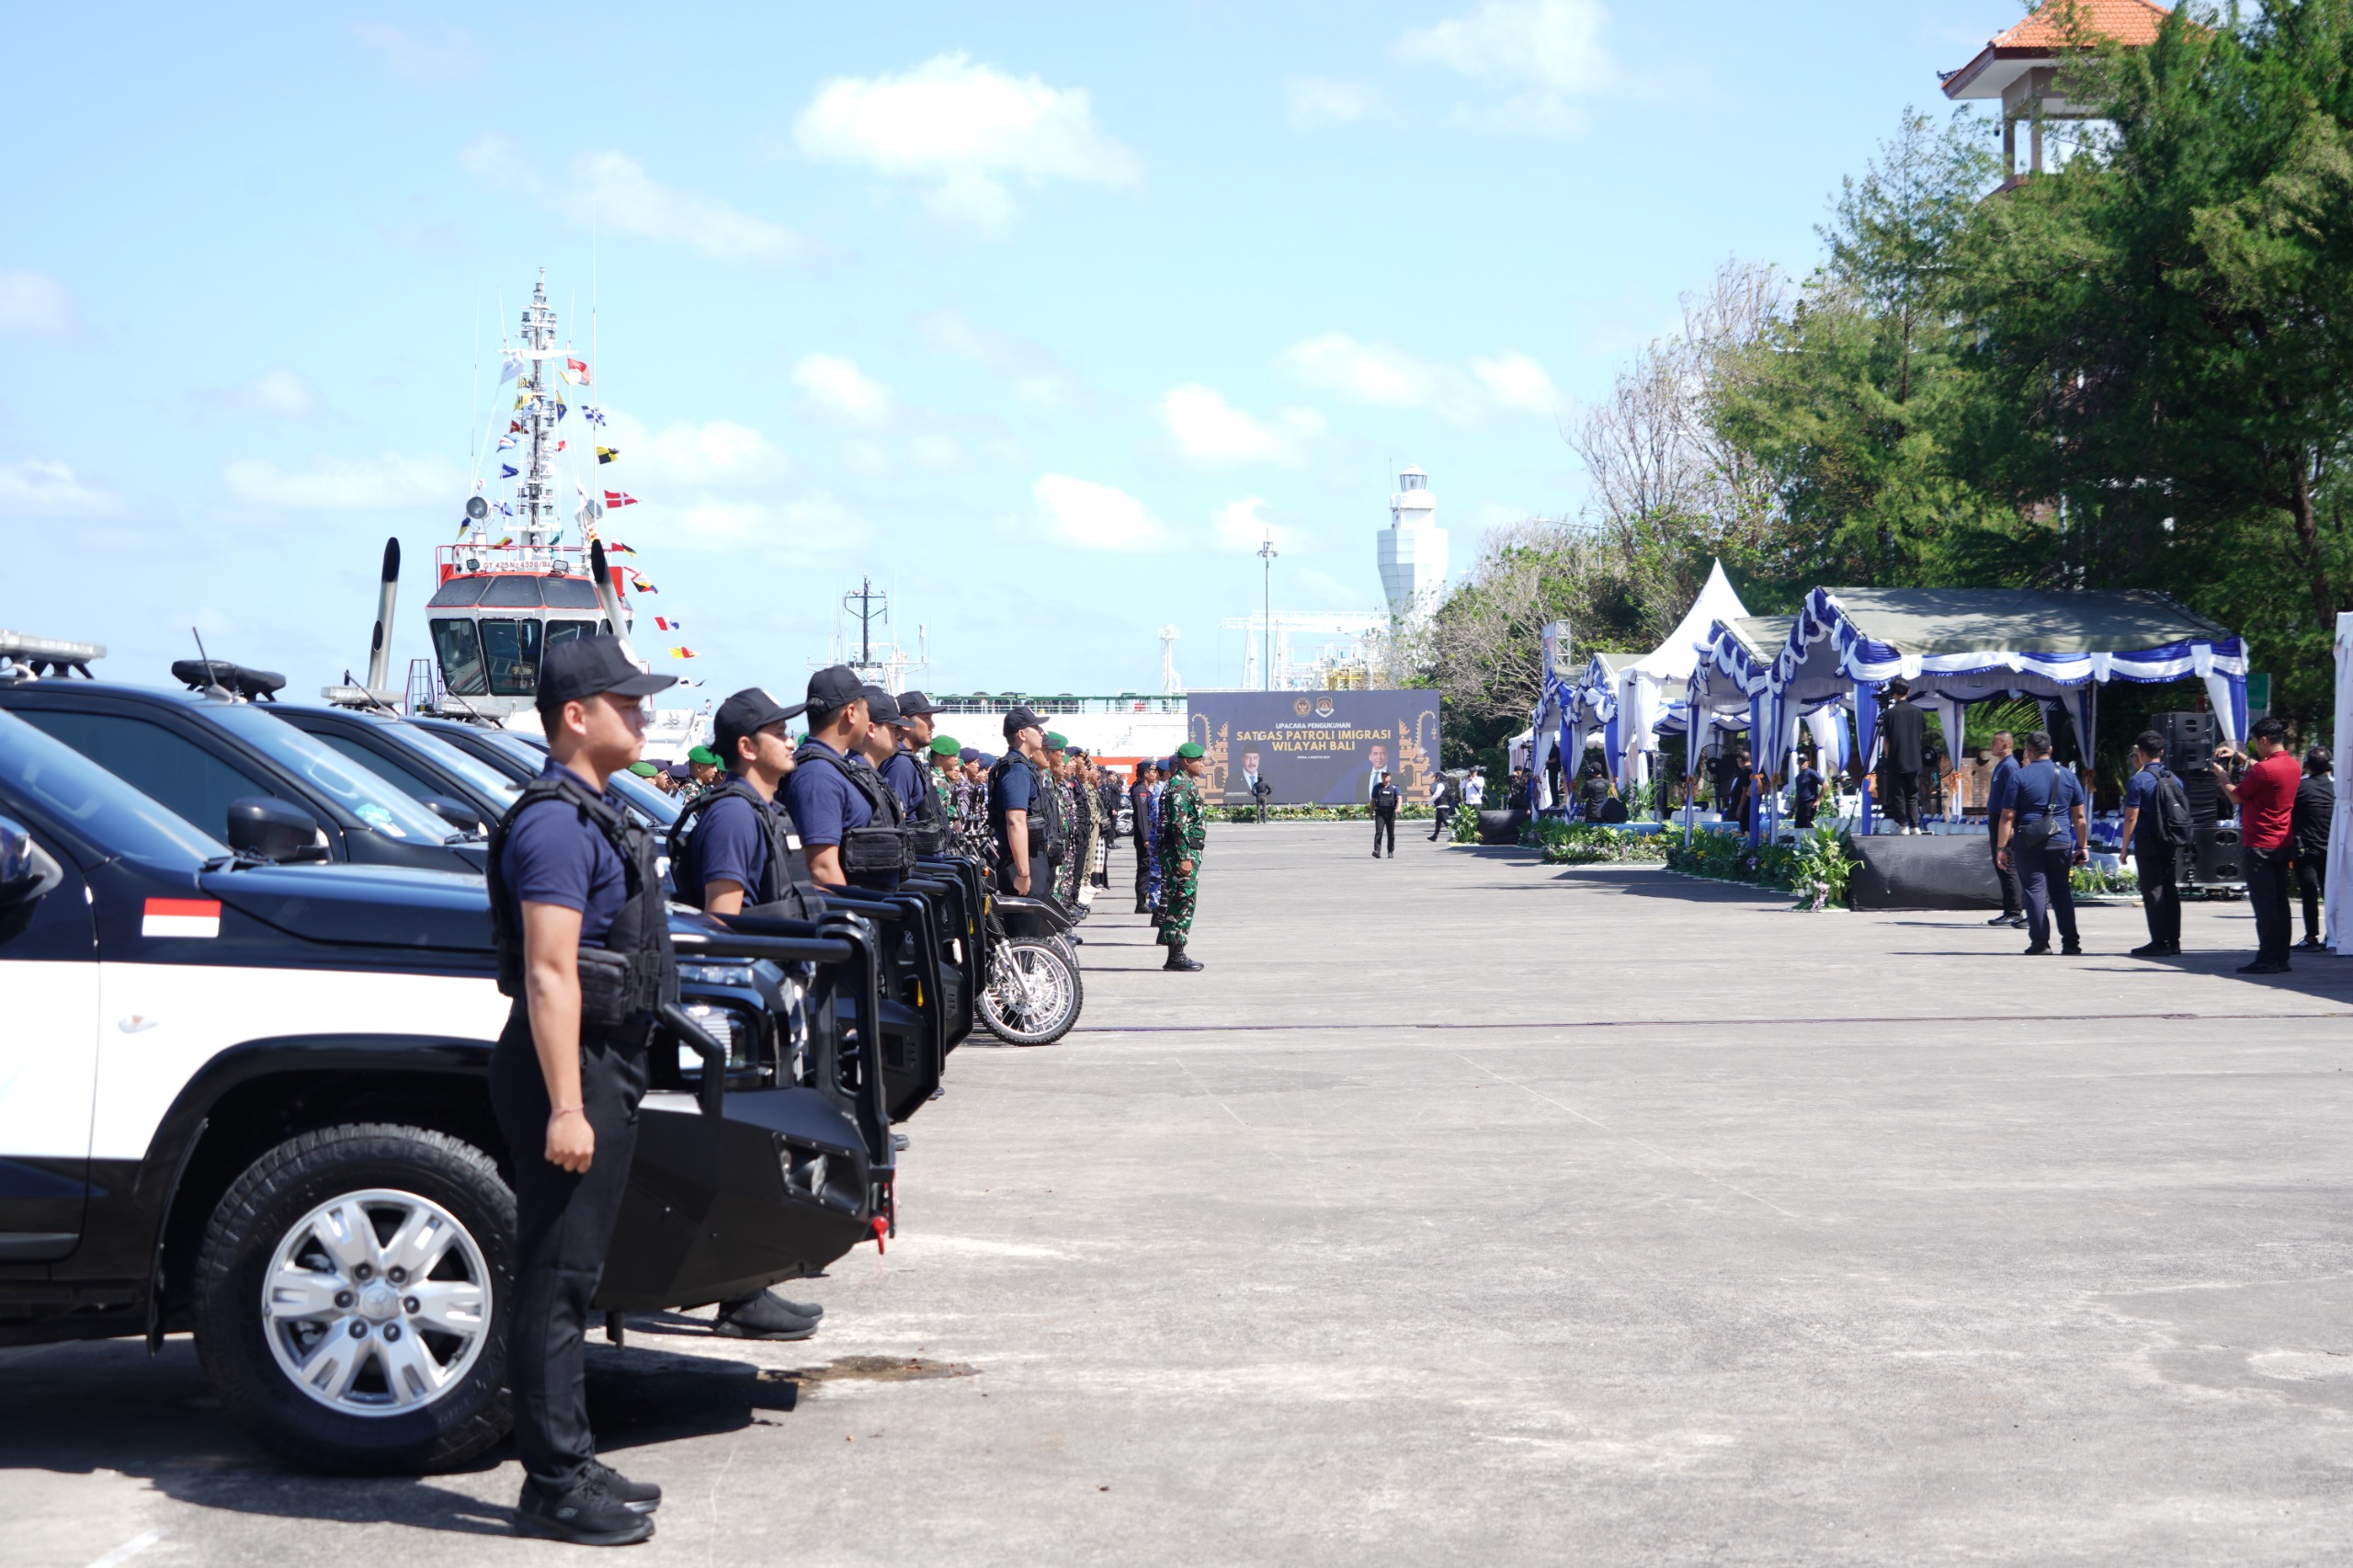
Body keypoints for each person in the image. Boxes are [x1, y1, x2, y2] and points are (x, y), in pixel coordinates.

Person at [484, 635, 675, 1543]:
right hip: (572, 1067)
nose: (642, 716)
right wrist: (567, 1104)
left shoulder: (596, 813)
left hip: (602, 1061)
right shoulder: (555, 826)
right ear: (575, 715)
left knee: (578, 1272)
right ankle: (554, 1483)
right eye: (625, 703)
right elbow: (549, 971)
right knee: (556, 1279)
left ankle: (573, 1451)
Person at [664, 686, 826, 1342]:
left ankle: (754, 1279)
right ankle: (740, 1295)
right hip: (741, 1007)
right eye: (777, 732)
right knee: (742, 1149)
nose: (790, 739)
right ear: (745, 747)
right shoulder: (734, 816)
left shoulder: (766, 808)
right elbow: (721, 921)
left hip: (773, 994)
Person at [784, 667, 904, 892]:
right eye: (866, 711)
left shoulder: (833, 769)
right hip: (854, 910)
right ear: (851, 713)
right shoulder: (818, 776)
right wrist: (852, 914)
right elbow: (821, 870)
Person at [2213, 717, 2301, 973]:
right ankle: (2281, 957)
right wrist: (2238, 756)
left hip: (2260, 844)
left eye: (2254, 742)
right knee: (2280, 903)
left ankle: (2267, 958)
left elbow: (2235, 796)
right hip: (2282, 841)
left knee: (2265, 905)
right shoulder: (2293, 765)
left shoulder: (2264, 770)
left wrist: (2221, 774)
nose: (2253, 747)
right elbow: (2263, 769)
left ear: (2263, 740)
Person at [1995, 730, 2089, 956]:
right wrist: (2082, 846)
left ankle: (2040, 943)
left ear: (2028, 751)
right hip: (2061, 839)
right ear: (2050, 750)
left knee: (2034, 889)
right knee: (2061, 890)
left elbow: (2007, 816)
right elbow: (2079, 817)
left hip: (2028, 841)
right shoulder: (2067, 776)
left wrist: (2001, 848)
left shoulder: (2019, 776)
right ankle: (2071, 943)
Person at [2119, 731, 2186, 959]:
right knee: (2169, 888)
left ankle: (2159, 942)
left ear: (2141, 753)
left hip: (2148, 840)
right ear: (2162, 752)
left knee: (2153, 890)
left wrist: (2124, 848)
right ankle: (2173, 941)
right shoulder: (2174, 779)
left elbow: (2131, 817)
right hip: (2170, 839)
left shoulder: (2138, 780)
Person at [1158, 742, 1208, 970]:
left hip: (1185, 852)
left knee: (1182, 900)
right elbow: (1179, 826)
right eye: (1199, 760)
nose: (1203, 764)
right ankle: (1176, 956)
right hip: (1182, 854)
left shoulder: (1184, 783)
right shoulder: (1180, 786)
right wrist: (1184, 857)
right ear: (1187, 762)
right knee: (1182, 900)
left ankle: (1175, 953)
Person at [1983, 733, 2025, 928]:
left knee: (2007, 865)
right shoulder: (2002, 765)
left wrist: (2012, 824)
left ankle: (2014, 911)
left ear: (2005, 745)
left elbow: (2015, 797)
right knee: (2001, 865)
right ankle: (2009, 909)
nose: (1991, 745)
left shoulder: (2010, 766)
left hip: (2004, 820)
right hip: (1997, 819)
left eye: (1995, 742)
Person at [2294, 746, 2335, 949]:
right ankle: (2333, 936)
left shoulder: (2300, 788)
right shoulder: (2337, 789)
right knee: (2331, 893)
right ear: (2329, 766)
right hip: (2332, 849)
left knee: (2308, 893)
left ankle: (2311, 937)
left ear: (2307, 765)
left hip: (2306, 849)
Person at [1880, 680, 1927, 834]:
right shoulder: (1918, 712)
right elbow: (1919, 735)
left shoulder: (1889, 714)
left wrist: (1888, 757)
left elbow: (1886, 740)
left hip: (1896, 758)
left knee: (1898, 794)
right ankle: (1915, 826)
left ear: (1893, 693)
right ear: (1909, 691)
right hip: (1914, 758)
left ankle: (1903, 824)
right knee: (1913, 794)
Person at [1130, 759, 1160, 912]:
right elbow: (1142, 816)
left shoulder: (1146, 789)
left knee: (1147, 867)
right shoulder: (1140, 791)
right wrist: (1146, 838)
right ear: (1146, 774)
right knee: (1144, 867)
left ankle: (1144, 900)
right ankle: (1141, 903)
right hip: (1144, 837)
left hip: (1146, 835)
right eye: (1153, 771)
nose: (1156, 774)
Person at [1370, 767, 1401, 857]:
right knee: (1379, 831)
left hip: (1390, 813)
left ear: (1390, 777)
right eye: (1383, 776)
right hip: (1380, 813)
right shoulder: (1377, 787)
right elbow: (1373, 801)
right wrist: (1371, 813)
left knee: (1391, 833)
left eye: (1386, 776)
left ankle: (1390, 852)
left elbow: (1399, 798)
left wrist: (1398, 807)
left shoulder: (1394, 788)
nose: (1385, 777)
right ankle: (1377, 851)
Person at [1792, 751, 1824, 830]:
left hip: (1809, 804)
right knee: (1798, 828)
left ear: (1807, 763)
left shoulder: (1811, 773)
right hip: (1800, 805)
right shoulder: (1798, 777)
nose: (1801, 764)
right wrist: (1792, 809)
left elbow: (1825, 785)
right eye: (1799, 762)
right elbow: (1798, 794)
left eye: (1803, 762)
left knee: (1808, 827)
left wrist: (1818, 800)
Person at [1428, 772, 1457, 841]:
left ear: (1438, 777)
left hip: (1441, 805)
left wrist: (1429, 802)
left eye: (1436, 777)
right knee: (1438, 822)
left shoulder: (1440, 785)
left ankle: (1454, 835)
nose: (1435, 779)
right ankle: (1434, 836)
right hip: (1443, 805)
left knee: (1445, 821)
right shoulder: (1446, 784)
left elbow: (1436, 795)